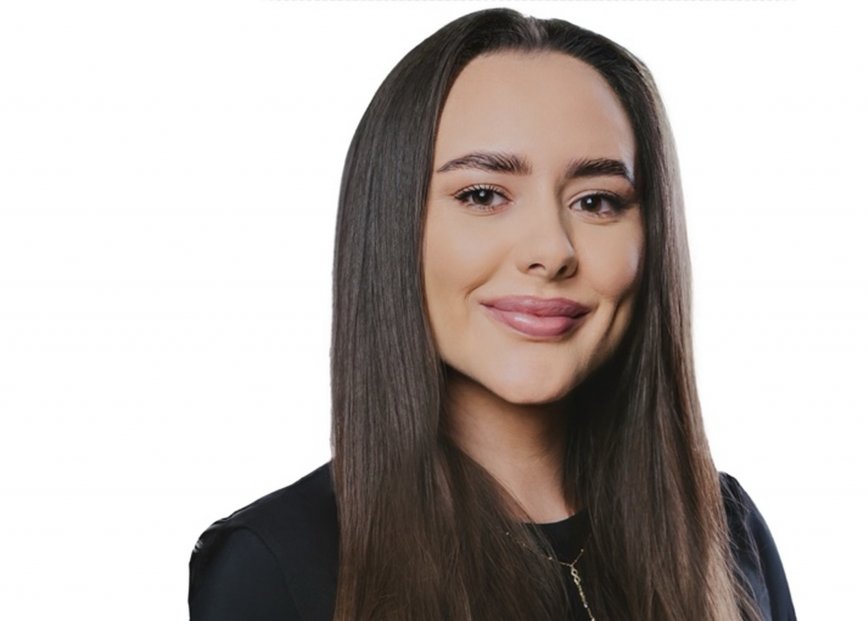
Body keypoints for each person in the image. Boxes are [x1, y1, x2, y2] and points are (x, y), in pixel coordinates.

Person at [188, 8, 796, 621]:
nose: (551, 251)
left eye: (596, 201)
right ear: (392, 224)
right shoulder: (273, 566)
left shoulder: (727, 533)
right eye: (482, 195)